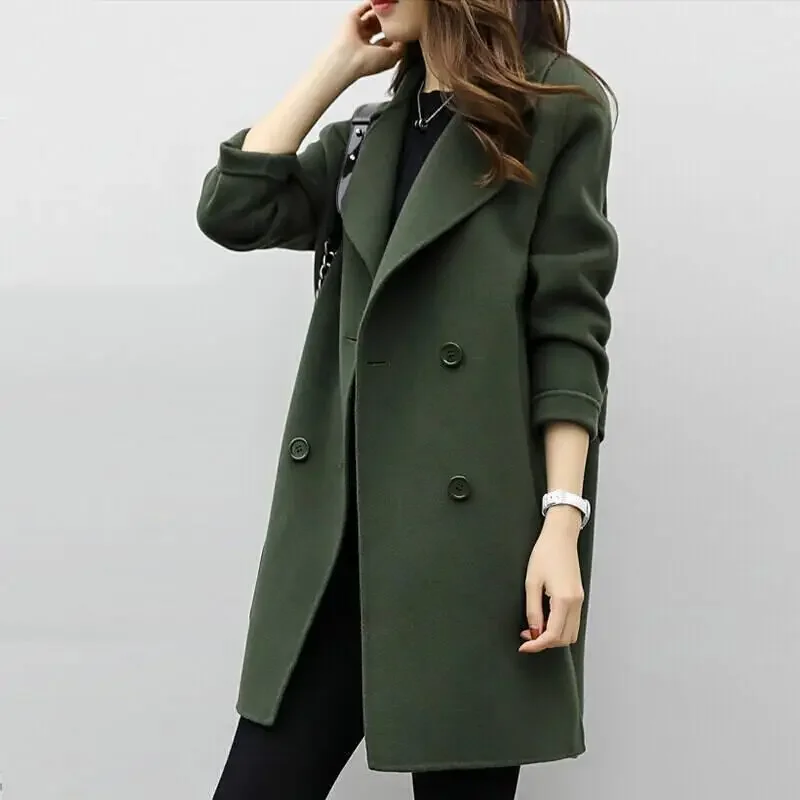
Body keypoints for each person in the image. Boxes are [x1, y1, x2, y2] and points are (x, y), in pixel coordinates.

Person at [196, 0, 618, 797]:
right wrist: (337, 67)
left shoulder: (558, 105)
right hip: (339, 541)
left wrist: (562, 523)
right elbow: (232, 210)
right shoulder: (371, 132)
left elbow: (568, 323)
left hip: (472, 549)